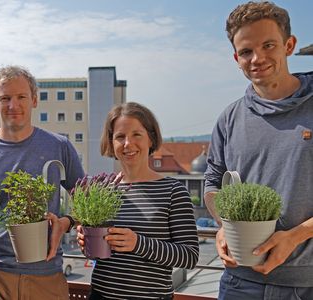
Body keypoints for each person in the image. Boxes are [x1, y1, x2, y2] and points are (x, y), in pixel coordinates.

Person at [204, 2, 313, 299]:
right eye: (246, 51)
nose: (257, 58)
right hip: (239, 283)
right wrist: (224, 225)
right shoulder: (229, 118)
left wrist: (295, 236)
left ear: (289, 45)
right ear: (236, 58)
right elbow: (213, 183)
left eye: (268, 45)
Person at [0, 65, 85, 300]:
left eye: (21, 97)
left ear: (34, 100)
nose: (13, 105)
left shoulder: (59, 147)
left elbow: (87, 201)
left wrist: (67, 222)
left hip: (46, 277)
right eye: (5, 98)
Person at [77, 102, 199, 299]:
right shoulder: (102, 191)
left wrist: (138, 243)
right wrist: (86, 244)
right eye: (120, 137)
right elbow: (99, 254)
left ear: (150, 139)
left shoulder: (173, 191)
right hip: (101, 295)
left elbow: (190, 256)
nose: (128, 144)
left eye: (136, 135)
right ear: (111, 143)